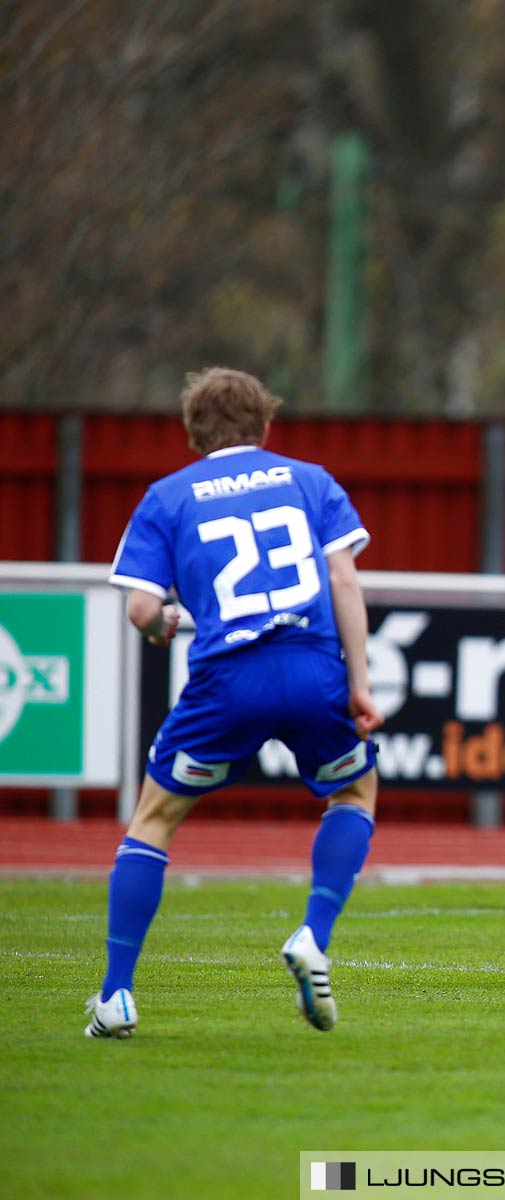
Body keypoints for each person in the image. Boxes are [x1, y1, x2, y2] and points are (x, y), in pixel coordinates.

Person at [87, 368, 382, 1038]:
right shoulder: (311, 481)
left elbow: (141, 608)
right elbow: (344, 579)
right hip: (313, 669)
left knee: (155, 819)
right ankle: (314, 933)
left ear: (193, 432)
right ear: (265, 424)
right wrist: (359, 682)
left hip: (226, 678)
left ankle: (116, 996)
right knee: (356, 794)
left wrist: (163, 625)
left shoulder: (166, 498)